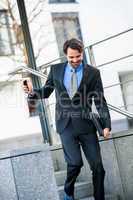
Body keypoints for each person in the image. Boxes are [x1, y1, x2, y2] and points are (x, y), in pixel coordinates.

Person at [23, 38, 111, 200]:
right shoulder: (56, 70)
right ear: (66, 55)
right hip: (65, 126)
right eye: (71, 57)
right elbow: (46, 91)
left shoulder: (93, 73)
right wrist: (31, 92)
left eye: (78, 56)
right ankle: (68, 190)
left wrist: (106, 125)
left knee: (98, 167)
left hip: (86, 125)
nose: (75, 60)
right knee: (75, 164)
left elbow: (99, 101)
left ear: (82, 53)